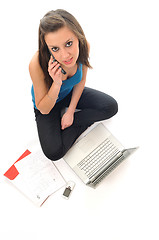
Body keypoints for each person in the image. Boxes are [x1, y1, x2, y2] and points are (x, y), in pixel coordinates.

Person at [29, 9, 118, 161]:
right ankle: (70, 123)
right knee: (54, 153)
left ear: (78, 36)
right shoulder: (36, 63)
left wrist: (70, 112)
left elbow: (81, 81)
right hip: (47, 102)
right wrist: (56, 83)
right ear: (47, 47)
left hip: (68, 93)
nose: (65, 56)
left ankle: (74, 122)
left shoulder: (84, 47)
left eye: (69, 44)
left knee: (111, 107)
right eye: (55, 49)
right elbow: (44, 109)